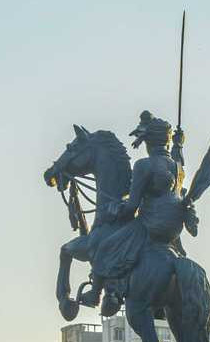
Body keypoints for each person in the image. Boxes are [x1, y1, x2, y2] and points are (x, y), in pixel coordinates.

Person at [78, 111, 192, 316]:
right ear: (166, 142)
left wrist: (116, 209)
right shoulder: (177, 166)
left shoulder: (144, 165)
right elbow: (179, 157)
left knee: (106, 246)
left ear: (148, 141)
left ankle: (100, 293)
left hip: (151, 225)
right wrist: (179, 144)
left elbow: (132, 206)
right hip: (172, 231)